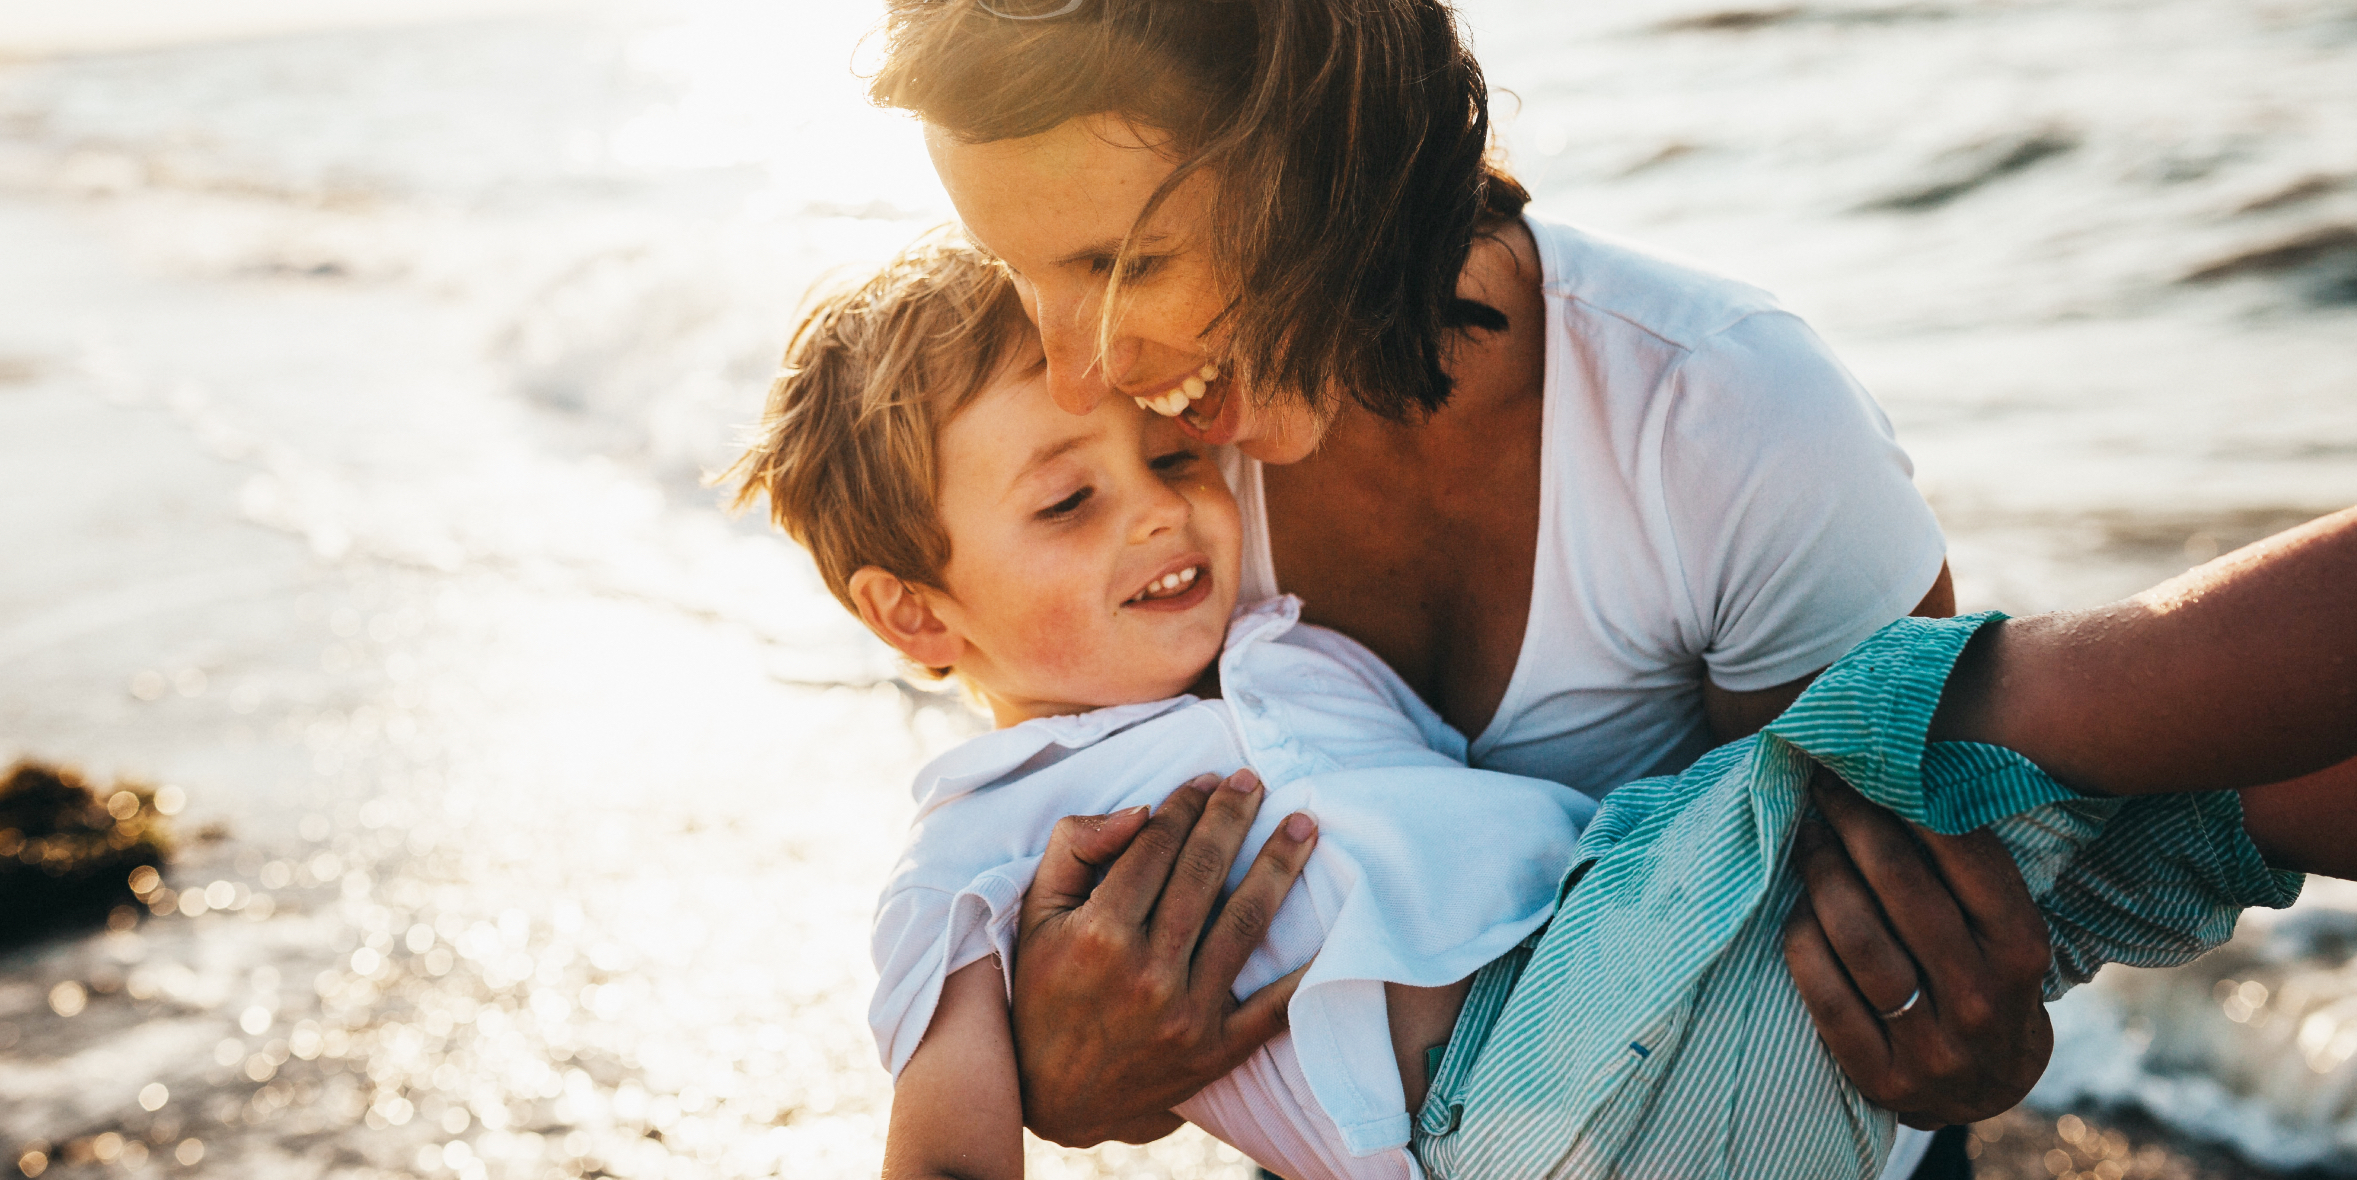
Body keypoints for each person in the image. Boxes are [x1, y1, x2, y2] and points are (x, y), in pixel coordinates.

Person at [866, 0, 2038, 1173]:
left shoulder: (1719, 419)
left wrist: (1965, 1028)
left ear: (1329, 147)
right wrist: (1068, 1062)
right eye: (1015, 273)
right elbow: (1134, 878)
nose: (1076, 365)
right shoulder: (1140, 483)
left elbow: (1918, 947)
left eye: (1127, 262)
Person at [722, 235, 2355, 1180]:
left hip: (1661, 1044)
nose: (1162, 512)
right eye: (1065, 506)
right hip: (1513, 1107)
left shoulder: (1286, 652)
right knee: (1975, 712)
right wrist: (1047, 1079)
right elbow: (941, 1151)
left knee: (2174, 818)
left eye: (1165, 457)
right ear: (915, 614)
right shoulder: (979, 843)